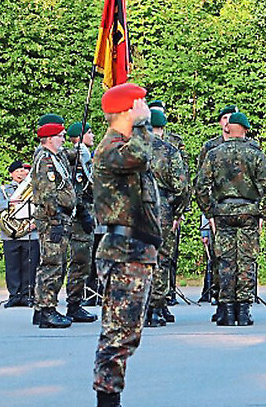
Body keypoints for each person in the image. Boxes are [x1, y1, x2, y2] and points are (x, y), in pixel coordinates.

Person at [92, 83, 161, 407]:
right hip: (124, 252)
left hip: (135, 250)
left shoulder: (124, 145)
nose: (144, 109)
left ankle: (110, 398)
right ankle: (107, 401)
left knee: (126, 333)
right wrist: (145, 123)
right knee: (118, 334)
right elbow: (142, 154)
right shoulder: (112, 148)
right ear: (126, 110)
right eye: (140, 104)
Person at [195, 112, 266, 326]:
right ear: (246, 130)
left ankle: (228, 310)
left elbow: (200, 186)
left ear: (229, 128)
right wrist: (262, 212)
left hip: (223, 212)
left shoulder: (214, 154)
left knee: (225, 261)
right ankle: (244, 310)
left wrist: (210, 210)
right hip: (248, 211)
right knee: (247, 260)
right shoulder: (255, 153)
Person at [31, 115, 77, 328]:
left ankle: (42, 309)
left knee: (55, 263)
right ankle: (47, 309)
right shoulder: (45, 160)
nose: (63, 140)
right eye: (60, 136)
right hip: (52, 220)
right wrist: (55, 219)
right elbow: (47, 193)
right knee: (52, 264)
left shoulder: (55, 156)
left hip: (56, 217)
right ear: (49, 138)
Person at [145, 108, 190, 326]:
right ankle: (156, 308)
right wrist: (177, 211)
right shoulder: (170, 150)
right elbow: (181, 186)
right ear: (163, 127)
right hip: (162, 206)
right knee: (161, 258)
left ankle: (141, 307)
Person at [195, 104, 237, 321]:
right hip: (217, 208)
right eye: (225, 118)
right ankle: (220, 299)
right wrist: (207, 213)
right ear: (220, 122)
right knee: (219, 256)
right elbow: (202, 183)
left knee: (241, 258)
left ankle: (240, 301)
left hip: (241, 210)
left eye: (232, 118)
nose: (228, 122)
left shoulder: (247, 146)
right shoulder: (210, 147)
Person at [63, 121, 98, 324]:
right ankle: (73, 305)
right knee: (80, 261)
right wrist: (84, 212)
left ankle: (76, 303)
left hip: (87, 213)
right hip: (79, 217)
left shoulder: (84, 155)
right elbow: (79, 188)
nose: (93, 135)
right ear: (80, 136)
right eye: (89, 132)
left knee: (83, 262)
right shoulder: (77, 157)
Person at [0, 160, 39, 308]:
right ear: (11, 173)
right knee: (12, 266)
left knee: (30, 266)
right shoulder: (4, 189)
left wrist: (36, 223)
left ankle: (27, 295)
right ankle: (14, 295)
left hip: (30, 233)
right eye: (17, 171)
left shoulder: (35, 189)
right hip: (10, 234)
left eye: (23, 170)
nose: (21, 173)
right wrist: (9, 202)